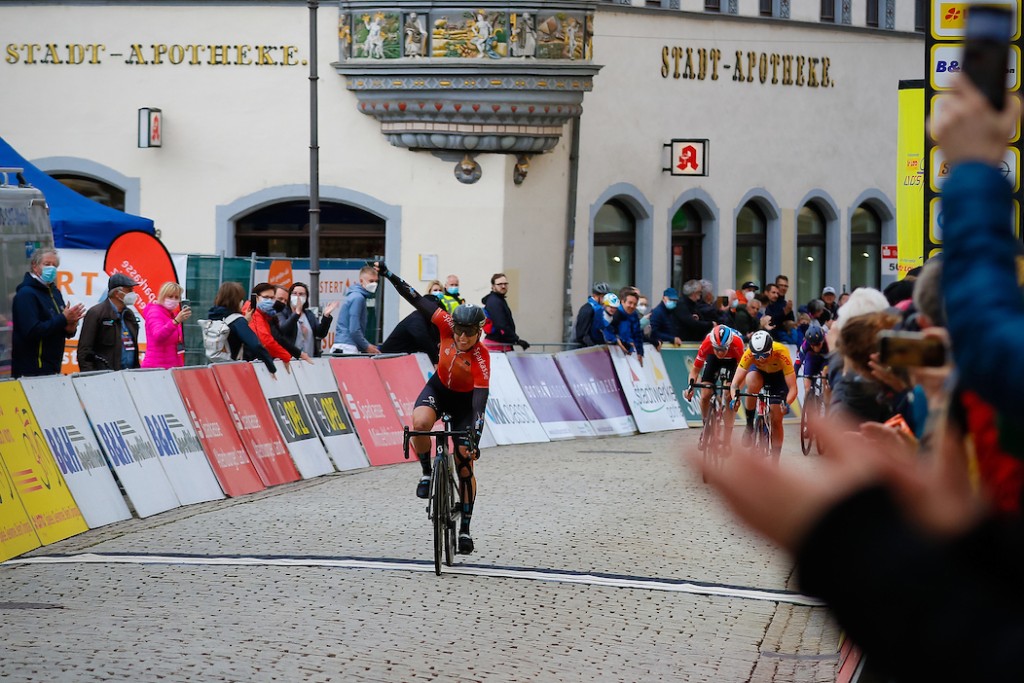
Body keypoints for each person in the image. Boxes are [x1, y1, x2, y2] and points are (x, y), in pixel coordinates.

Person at [696, 78, 1024, 683]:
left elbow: (794, 382)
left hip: (794, 374)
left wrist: (850, 551)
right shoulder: (736, 343)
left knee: (775, 407)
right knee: (744, 394)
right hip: (774, 368)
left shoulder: (785, 349)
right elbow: (726, 370)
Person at [372, 260, 489, 554]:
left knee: (464, 461)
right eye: (458, 332)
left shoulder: (482, 357)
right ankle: (426, 472)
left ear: (478, 331)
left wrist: (474, 437)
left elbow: (479, 403)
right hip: (438, 388)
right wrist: (388, 274)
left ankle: (465, 529)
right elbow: (413, 296)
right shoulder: (445, 323)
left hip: (465, 403)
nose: (461, 339)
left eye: (468, 334)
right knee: (420, 423)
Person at [11, 248, 85, 378]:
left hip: (53, 368)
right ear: (35, 266)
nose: (51, 268)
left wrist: (69, 328)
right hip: (33, 370)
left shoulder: (55, 292)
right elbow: (32, 331)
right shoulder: (26, 294)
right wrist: (63, 318)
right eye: (47, 264)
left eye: (54, 265)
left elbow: (56, 328)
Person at [730, 329, 797, 460]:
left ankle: (775, 460)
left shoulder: (782, 352)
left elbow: (793, 388)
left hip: (778, 377)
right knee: (751, 383)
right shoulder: (749, 353)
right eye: (757, 356)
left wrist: (786, 403)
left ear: (771, 349)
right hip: (759, 373)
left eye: (765, 355)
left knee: (777, 420)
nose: (761, 359)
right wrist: (734, 399)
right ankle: (749, 425)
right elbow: (735, 383)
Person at [684, 325, 744, 450]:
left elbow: (742, 374)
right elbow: (695, 371)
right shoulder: (707, 343)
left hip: (732, 361)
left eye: (723, 349)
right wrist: (690, 387)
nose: (720, 353)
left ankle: (727, 439)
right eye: (717, 349)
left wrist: (736, 395)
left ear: (729, 344)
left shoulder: (737, 344)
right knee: (705, 394)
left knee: (729, 396)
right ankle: (706, 428)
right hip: (712, 360)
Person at [206, 281, 276, 373]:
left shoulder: (213, 316)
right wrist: (271, 368)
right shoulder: (237, 321)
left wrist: (245, 320)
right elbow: (255, 345)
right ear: (237, 300)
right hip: (231, 368)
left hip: (214, 368)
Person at [78, 273, 142, 372]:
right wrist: (90, 376)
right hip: (105, 376)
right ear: (117, 293)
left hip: (129, 375)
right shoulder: (96, 313)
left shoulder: (129, 315)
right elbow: (84, 351)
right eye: (129, 290)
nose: (133, 294)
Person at [278, 282, 339, 359]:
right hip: (290, 360)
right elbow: (283, 329)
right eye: (294, 293)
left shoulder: (309, 314)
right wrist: (296, 314)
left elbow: (320, 334)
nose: (298, 297)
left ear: (306, 297)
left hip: (309, 359)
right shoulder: (283, 313)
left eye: (301, 294)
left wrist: (326, 316)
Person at [141, 281, 191, 369]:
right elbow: (158, 336)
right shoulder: (155, 313)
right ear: (162, 296)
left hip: (171, 365)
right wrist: (175, 322)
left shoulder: (172, 315)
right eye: (170, 296)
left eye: (177, 297)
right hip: (156, 367)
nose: (174, 300)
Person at [248, 282, 301, 365]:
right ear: (257, 298)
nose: (282, 303)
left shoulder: (269, 315)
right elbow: (268, 340)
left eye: (285, 301)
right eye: (279, 299)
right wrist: (287, 356)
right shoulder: (254, 313)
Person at [332, 265, 380, 354]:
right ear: (361, 281)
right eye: (371, 281)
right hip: (348, 347)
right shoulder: (358, 298)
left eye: (376, 281)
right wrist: (366, 346)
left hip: (343, 344)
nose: (374, 284)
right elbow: (354, 329)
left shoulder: (354, 295)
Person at [481, 272, 529, 353]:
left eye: (505, 284)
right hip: (496, 346)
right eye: (500, 284)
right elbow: (501, 324)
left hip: (501, 345)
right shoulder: (495, 301)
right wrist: (516, 339)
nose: (503, 286)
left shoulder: (499, 299)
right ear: (493, 286)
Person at [610, 287, 644, 365]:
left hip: (630, 353)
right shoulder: (616, 314)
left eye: (635, 304)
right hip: (616, 353)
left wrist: (640, 352)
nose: (632, 306)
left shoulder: (634, 314)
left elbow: (638, 334)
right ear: (622, 302)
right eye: (630, 303)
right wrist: (620, 341)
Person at [573, 281, 611, 347]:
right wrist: (594, 347)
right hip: (582, 349)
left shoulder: (599, 309)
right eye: (604, 297)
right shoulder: (587, 309)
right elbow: (582, 334)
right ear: (596, 296)